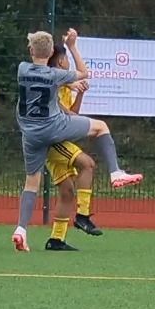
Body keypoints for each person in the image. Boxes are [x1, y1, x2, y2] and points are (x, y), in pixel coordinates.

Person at [12, 28, 143, 252]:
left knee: (32, 183)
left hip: (30, 134)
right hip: (53, 128)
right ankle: (115, 172)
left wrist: (69, 85)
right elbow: (83, 72)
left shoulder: (22, 69)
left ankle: (21, 230)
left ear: (31, 50)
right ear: (53, 53)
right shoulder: (55, 75)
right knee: (101, 127)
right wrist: (72, 46)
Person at [42, 40, 103, 252]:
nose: (68, 62)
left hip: (57, 139)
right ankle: (82, 216)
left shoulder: (63, 85)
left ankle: (56, 239)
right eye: (66, 57)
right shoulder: (52, 82)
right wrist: (73, 46)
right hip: (53, 140)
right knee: (88, 164)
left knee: (67, 192)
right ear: (60, 61)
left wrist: (80, 93)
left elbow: (73, 113)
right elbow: (65, 112)